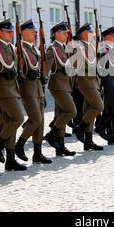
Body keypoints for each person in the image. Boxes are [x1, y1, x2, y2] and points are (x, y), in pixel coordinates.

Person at [0, 20, 26, 171]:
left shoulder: (11, 47)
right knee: (18, 118)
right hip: (2, 89)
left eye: (12, 32)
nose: (11, 34)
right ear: (0, 33)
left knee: (11, 122)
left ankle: (10, 160)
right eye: (8, 32)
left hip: (13, 88)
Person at [14, 20, 52, 164]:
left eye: (35, 31)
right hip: (27, 87)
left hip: (38, 87)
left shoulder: (35, 49)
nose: (34, 33)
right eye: (31, 31)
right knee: (35, 118)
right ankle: (20, 144)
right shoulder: (20, 48)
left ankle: (37, 153)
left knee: (40, 122)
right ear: (22, 32)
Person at [44, 22, 77, 156]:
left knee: (61, 114)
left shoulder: (64, 47)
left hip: (66, 84)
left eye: (67, 33)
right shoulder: (52, 49)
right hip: (57, 85)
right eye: (64, 33)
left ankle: (60, 146)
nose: (66, 35)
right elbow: (46, 69)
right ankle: (52, 134)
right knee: (71, 111)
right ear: (56, 34)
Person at [71, 23, 104, 150]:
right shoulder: (79, 47)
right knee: (98, 106)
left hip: (93, 80)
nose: (93, 35)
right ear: (84, 34)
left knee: (90, 108)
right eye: (90, 33)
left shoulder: (89, 46)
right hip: (85, 80)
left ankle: (88, 141)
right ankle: (80, 128)